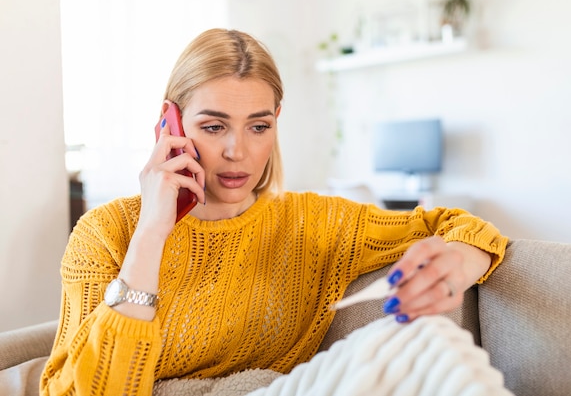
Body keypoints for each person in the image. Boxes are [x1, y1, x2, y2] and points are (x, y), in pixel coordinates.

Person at [40, 28, 508, 395]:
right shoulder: (105, 233)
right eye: (213, 125)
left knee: (433, 343)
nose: (237, 151)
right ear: (171, 125)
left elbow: (461, 226)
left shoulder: (312, 222)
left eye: (257, 126)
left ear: (275, 124)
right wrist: (150, 236)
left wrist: (456, 268)